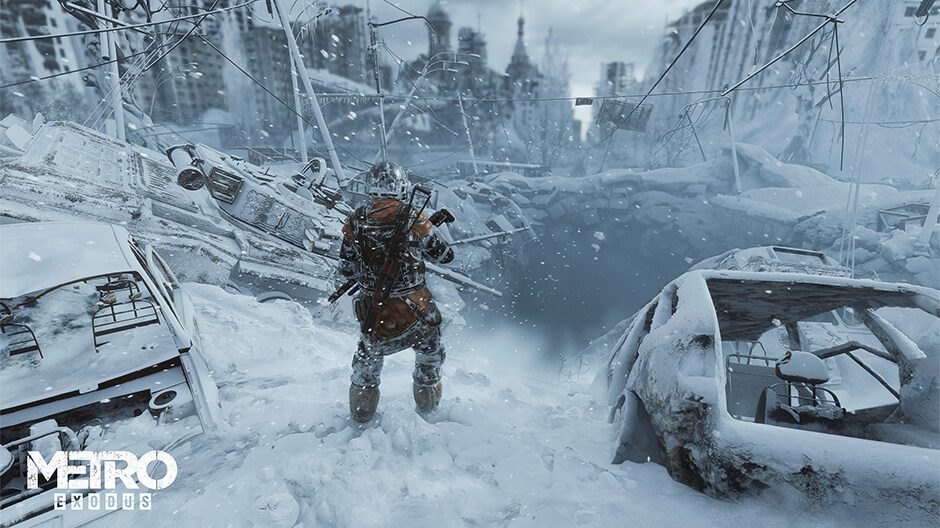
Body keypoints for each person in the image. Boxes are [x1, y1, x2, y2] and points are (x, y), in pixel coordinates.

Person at [339, 161, 454, 422]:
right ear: (401, 186)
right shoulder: (414, 217)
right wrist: (425, 231)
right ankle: (428, 410)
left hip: (375, 310)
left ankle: (361, 414)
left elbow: (346, 268)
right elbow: (445, 256)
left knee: (367, 360)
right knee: (430, 352)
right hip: (415, 309)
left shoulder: (356, 220)